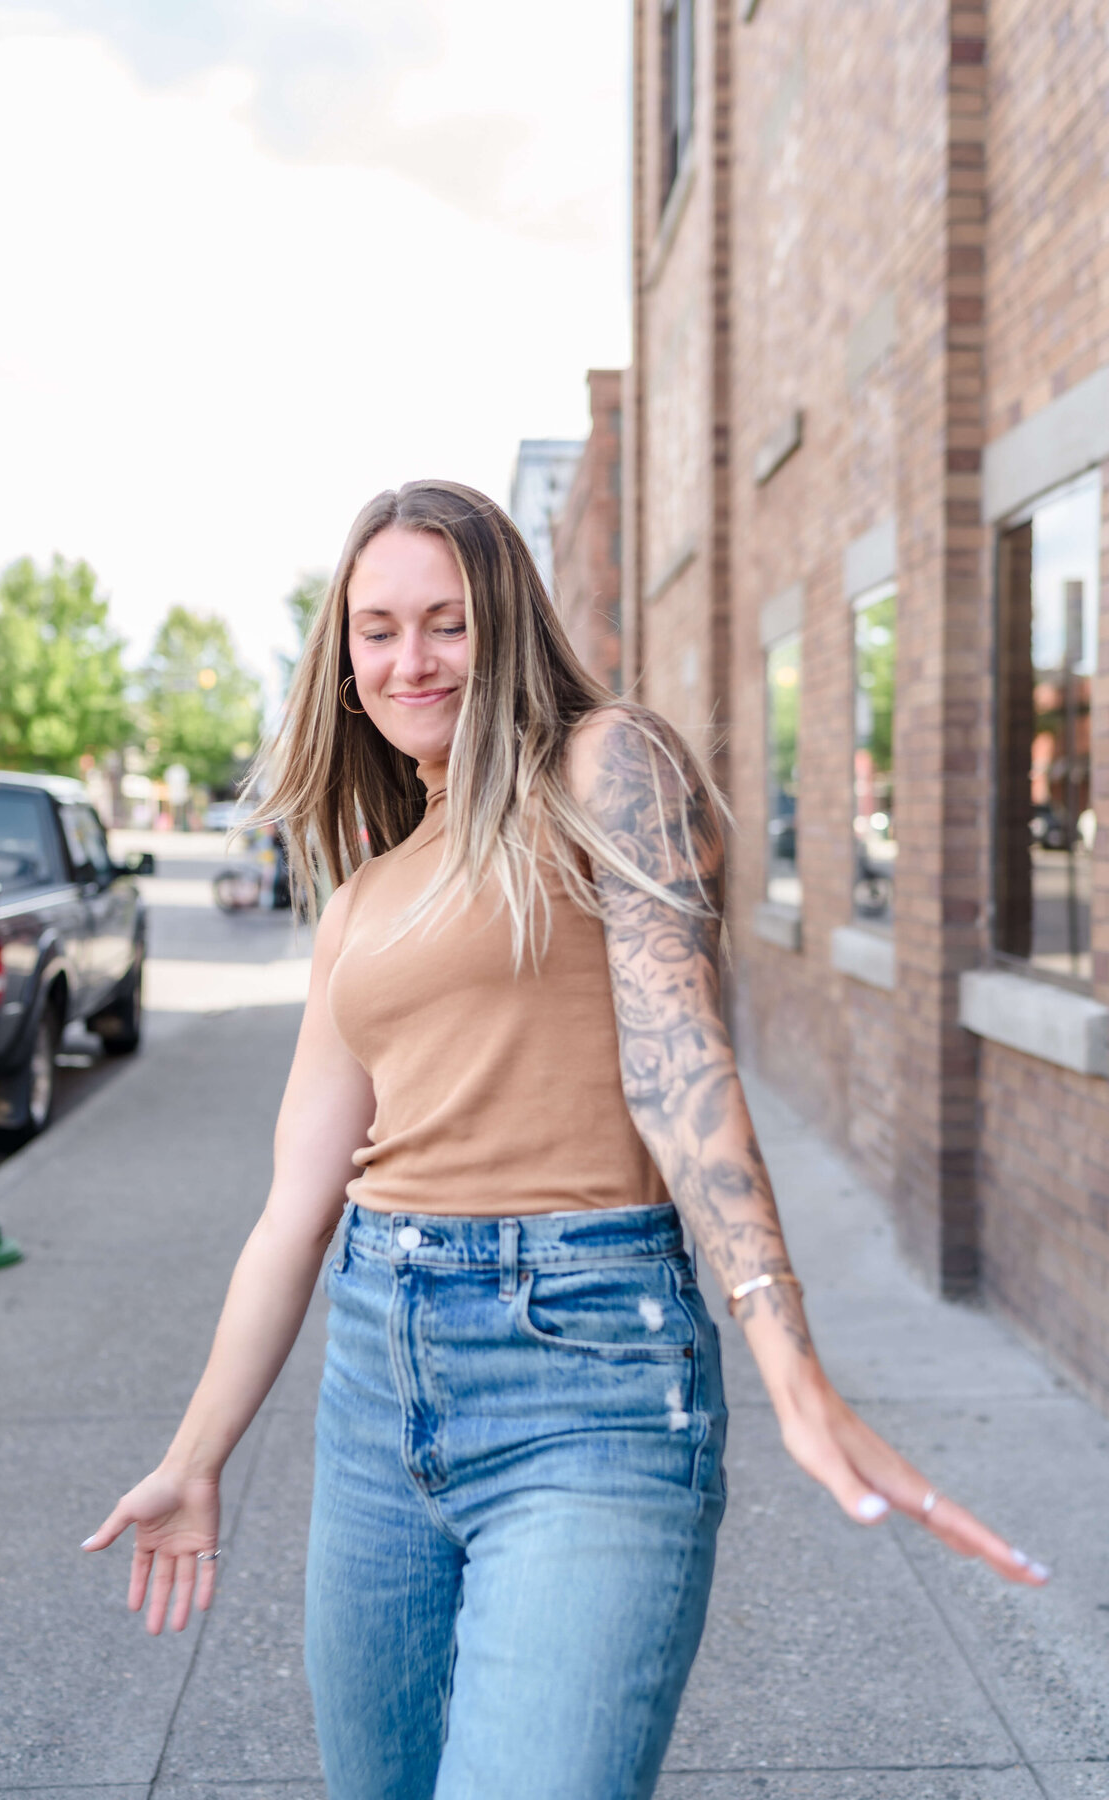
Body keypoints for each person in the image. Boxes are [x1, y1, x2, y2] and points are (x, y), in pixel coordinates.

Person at [84, 480, 1049, 1800]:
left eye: (447, 621)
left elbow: (676, 1056)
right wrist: (194, 1460)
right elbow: (293, 1211)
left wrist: (786, 1351)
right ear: (341, 655)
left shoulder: (604, 765)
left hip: (588, 1374)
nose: (410, 659)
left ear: (510, 627)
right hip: (377, 1382)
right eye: (377, 629)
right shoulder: (361, 899)